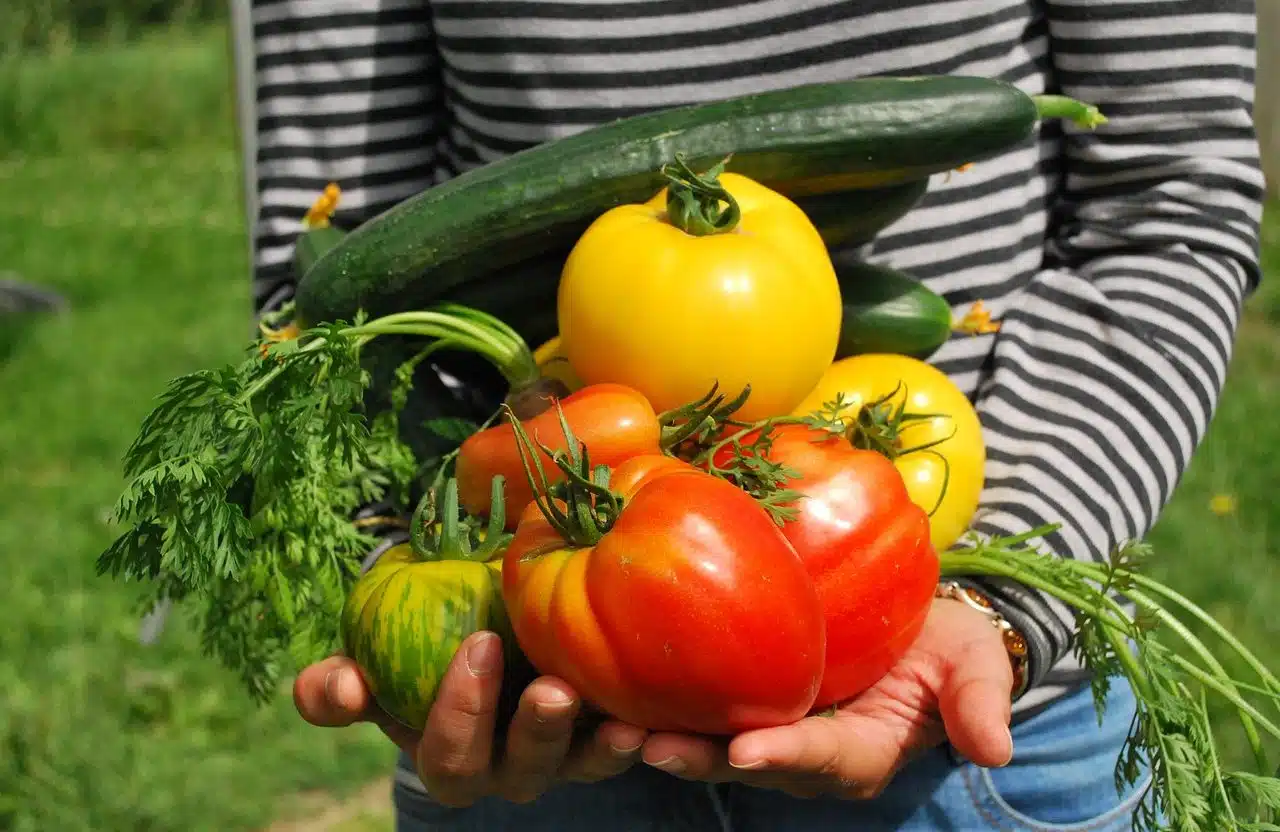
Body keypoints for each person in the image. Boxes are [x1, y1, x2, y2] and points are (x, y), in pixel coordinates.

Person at [240, 0, 1265, 829]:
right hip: (527, 695)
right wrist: (406, 581)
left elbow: (1167, 208)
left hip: (974, 730)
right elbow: (331, 288)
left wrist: (996, 602)